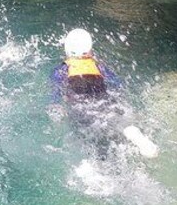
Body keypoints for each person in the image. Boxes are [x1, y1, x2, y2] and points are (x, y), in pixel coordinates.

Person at [50, 28, 158, 158]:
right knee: (112, 119)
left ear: (67, 50)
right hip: (104, 100)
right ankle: (130, 130)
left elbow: (55, 93)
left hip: (82, 106)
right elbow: (118, 84)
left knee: (91, 136)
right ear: (90, 50)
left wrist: (56, 108)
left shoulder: (62, 70)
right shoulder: (99, 66)